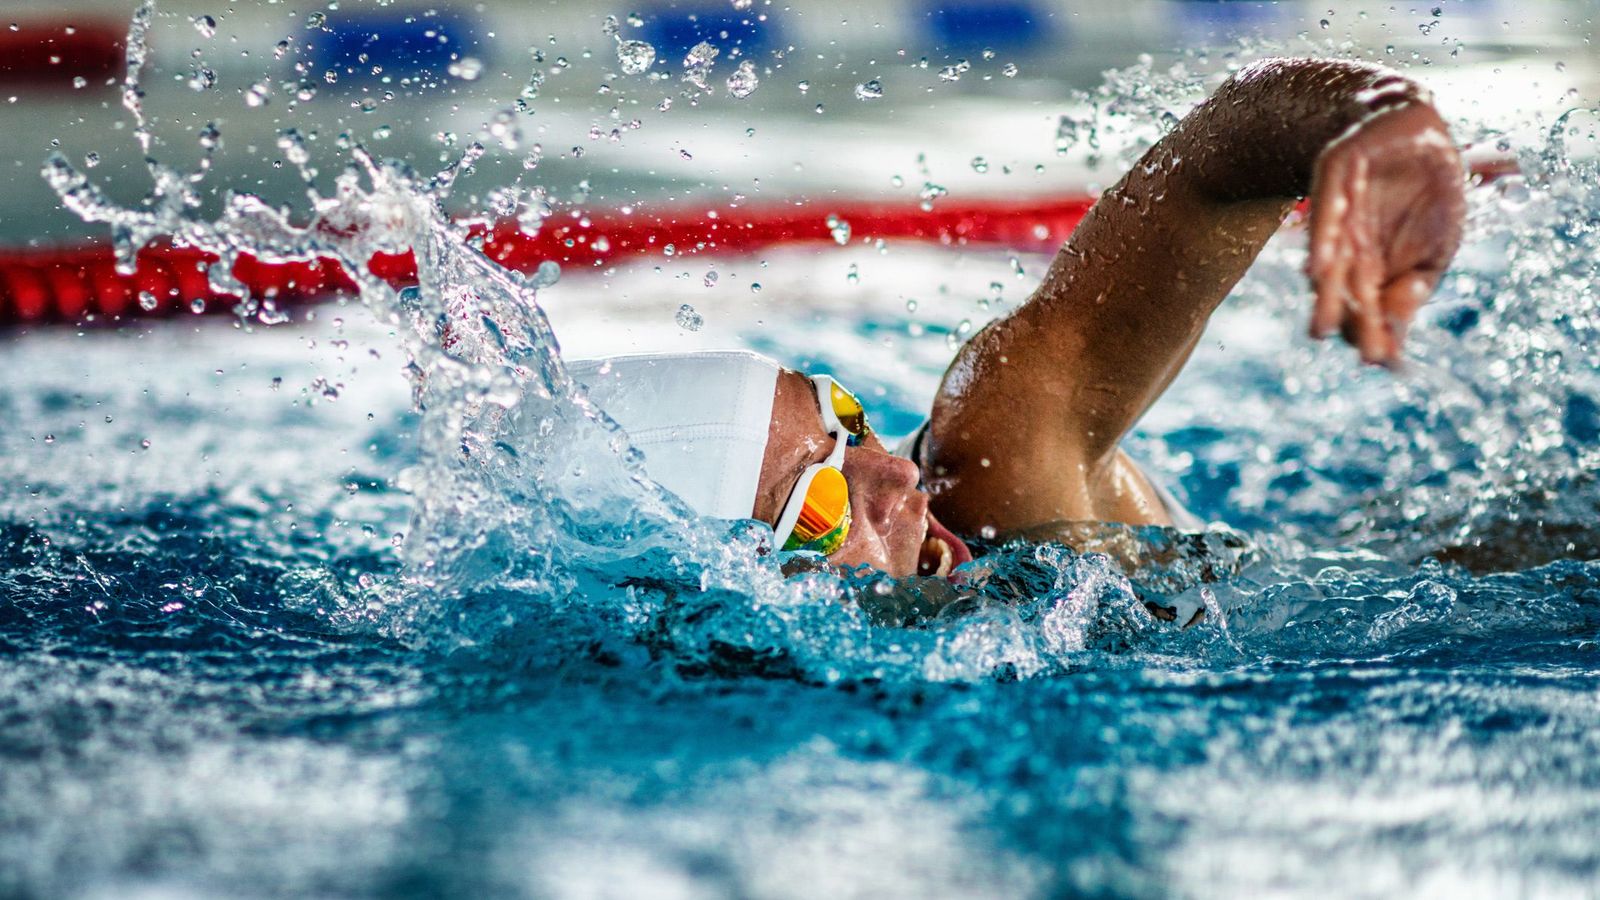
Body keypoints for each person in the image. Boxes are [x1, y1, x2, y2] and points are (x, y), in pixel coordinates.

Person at [572, 57, 1467, 584]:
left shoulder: (996, 473)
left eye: (844, 422)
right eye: (821, 500)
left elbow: (1209, 178)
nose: (896, 477)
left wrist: (1376, 117)